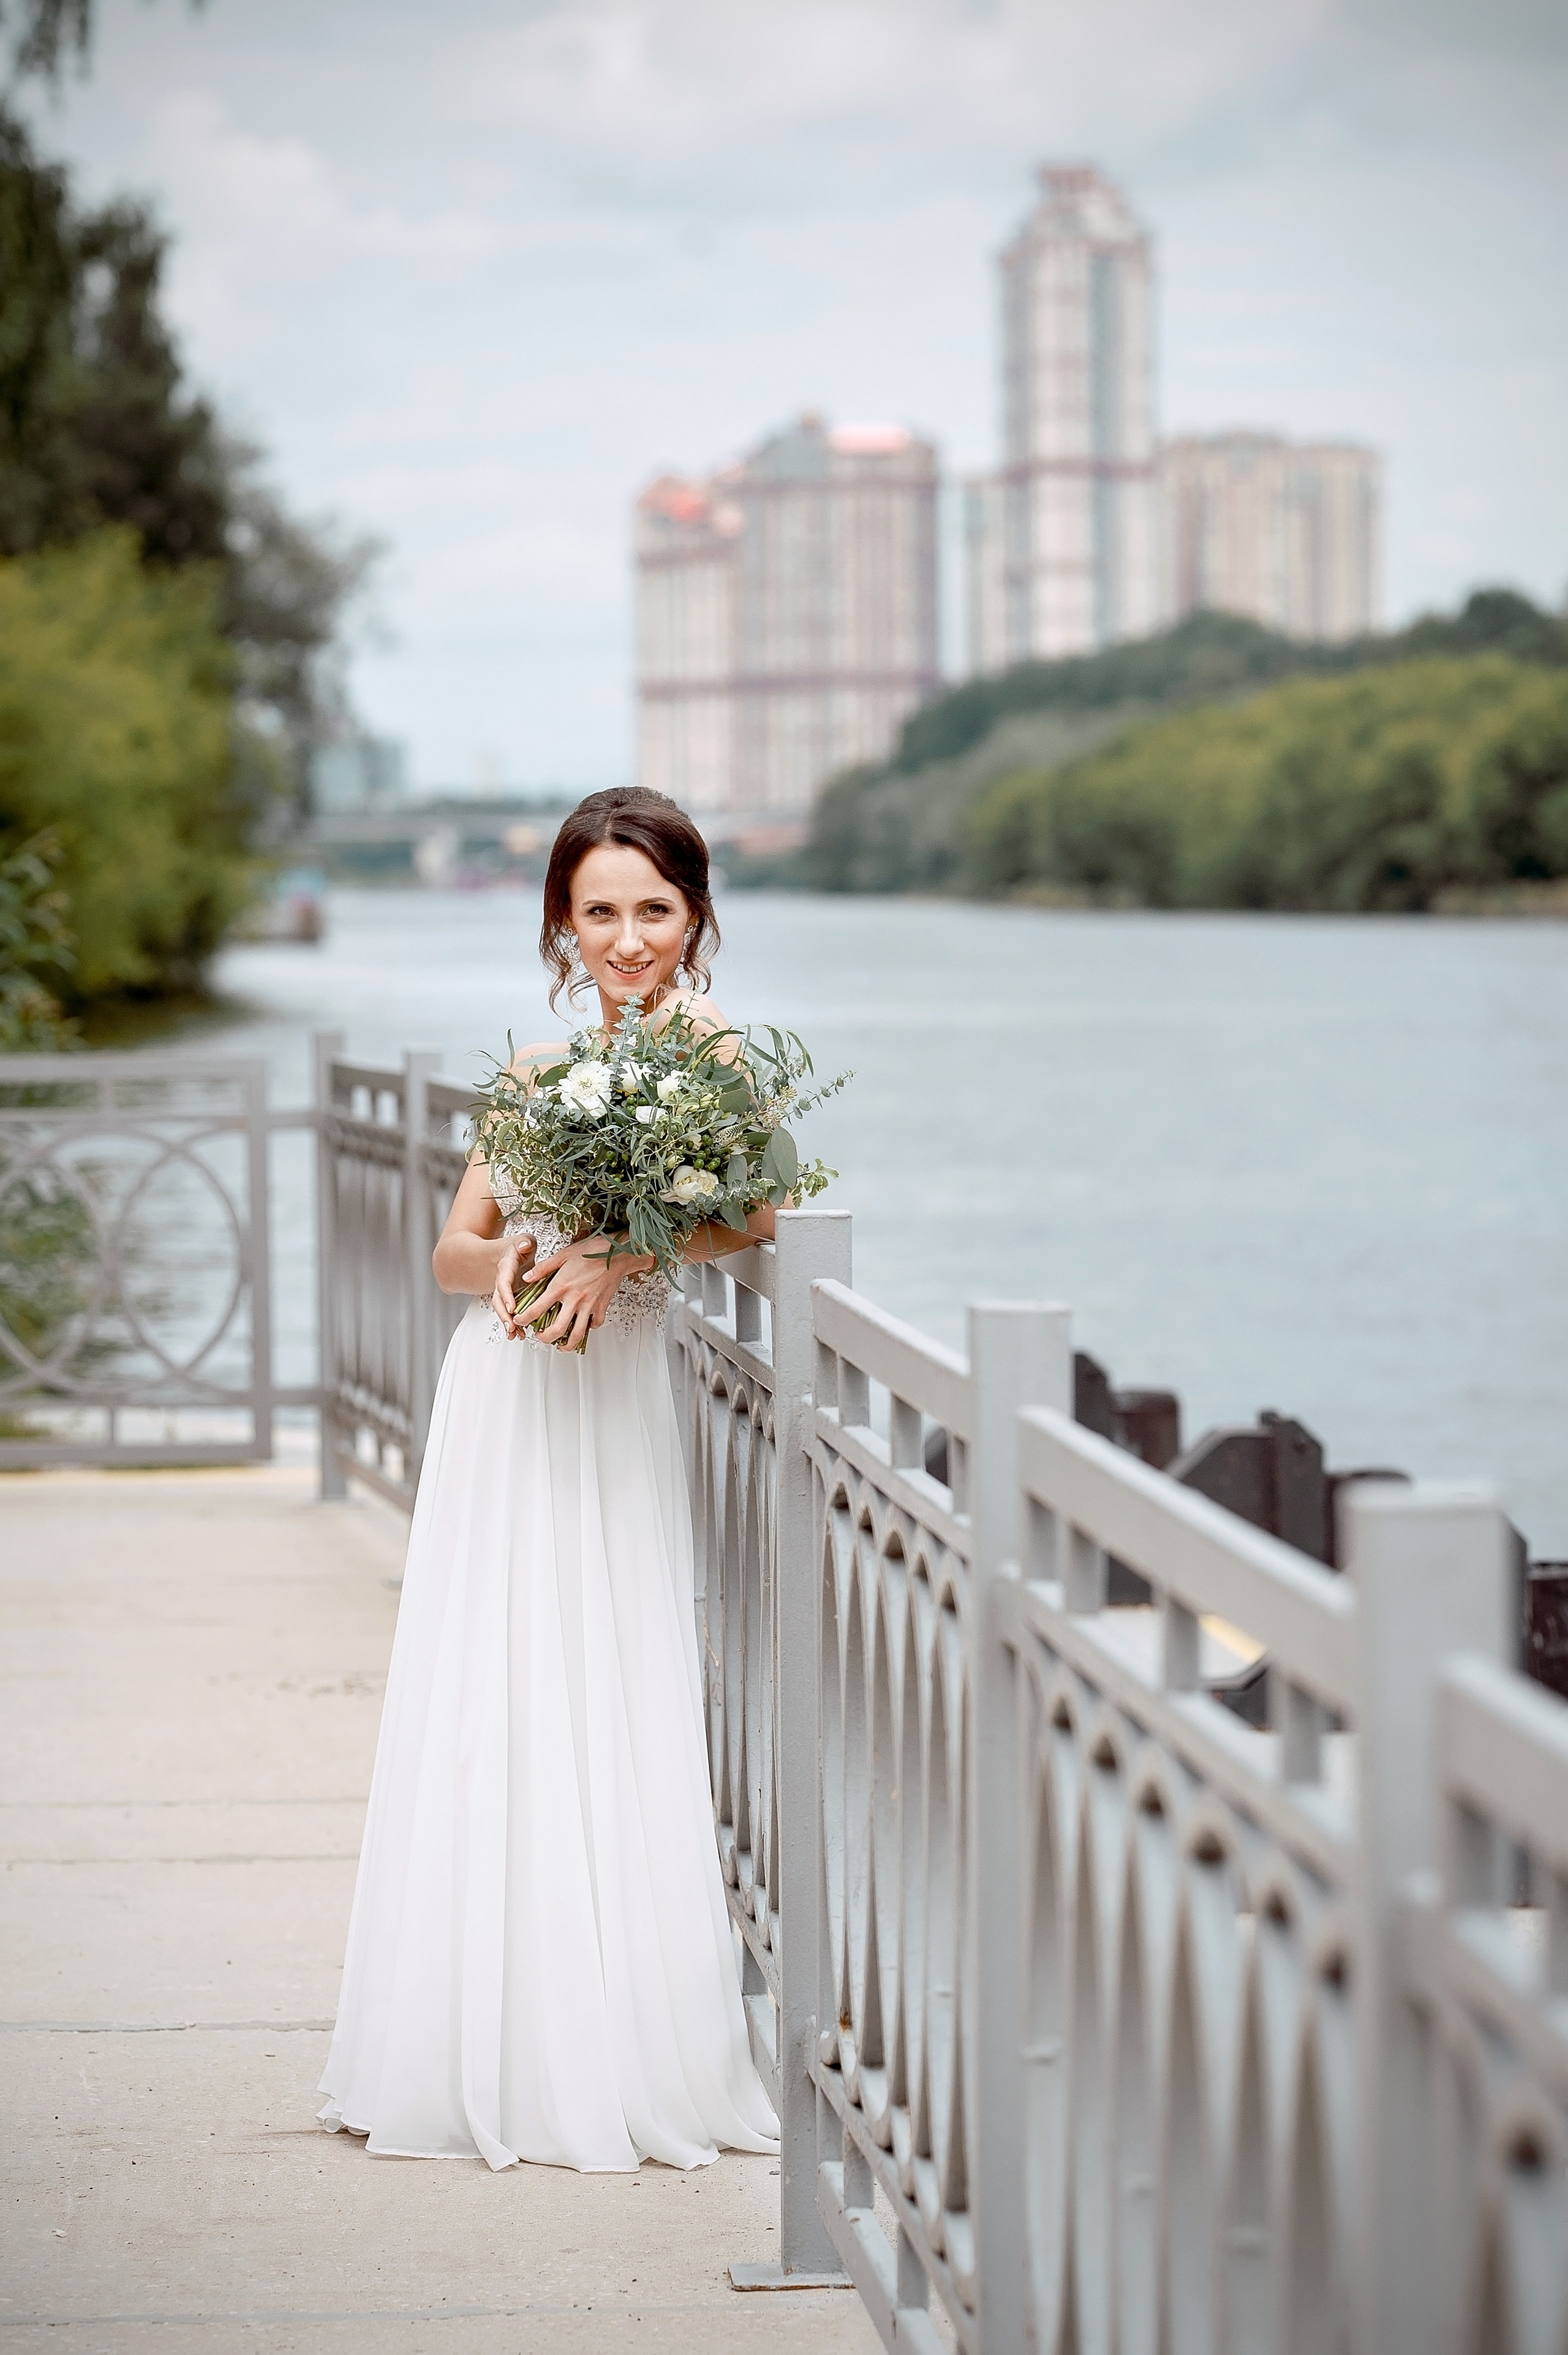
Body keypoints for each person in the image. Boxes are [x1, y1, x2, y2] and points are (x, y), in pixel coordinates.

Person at [317, 788, 780, 2172]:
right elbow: (451, 1249)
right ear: (560, 925)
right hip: (505, 1393)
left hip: (612, 1400)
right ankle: (468, 2041)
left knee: (610, 1675)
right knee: (494, 1683)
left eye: (654, 910)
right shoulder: (534, 1072)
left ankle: (613, 2046)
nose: (627, 939)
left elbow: (755, 1211)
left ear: (695, 917)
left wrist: (619, 1251)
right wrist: (516, 1261)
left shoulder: (715, 1054)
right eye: (600, 912)